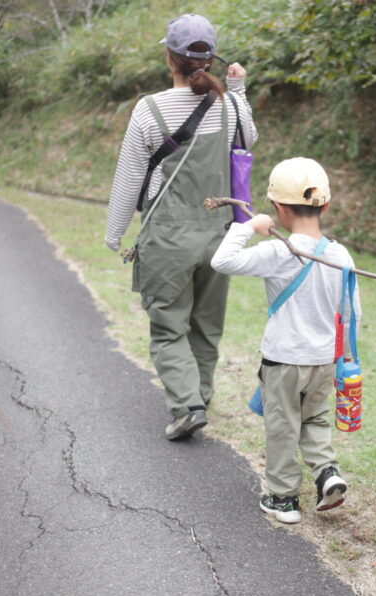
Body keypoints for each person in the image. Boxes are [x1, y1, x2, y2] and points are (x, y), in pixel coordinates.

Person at [104, 14, 257, 440]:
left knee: (169, 326)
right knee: (206, 326)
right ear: (209, 59)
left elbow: (129, 177)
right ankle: (200, 398)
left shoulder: (148, 110)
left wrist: (114, 233)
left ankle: (187, 405)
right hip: (219, 235)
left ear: (169, 58)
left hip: (167, 239)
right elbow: (249, 139)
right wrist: (239, 89)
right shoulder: (227, 103)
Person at [210, 157, 359, 524]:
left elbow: (222, 261)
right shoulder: (341, 255)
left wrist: (247, 226)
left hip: (284, 360)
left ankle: (283, 498)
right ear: (325, 205)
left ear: (278, 207)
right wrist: (344, 358)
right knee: (315, 418)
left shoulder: (280, 251)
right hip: (325, 361)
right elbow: (351, 312)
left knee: (282, 425)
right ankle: (327, 473)